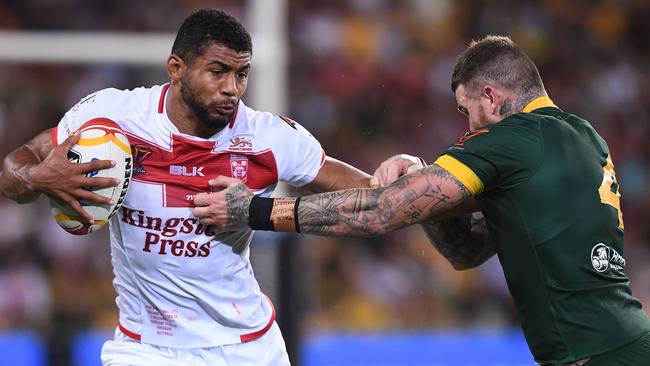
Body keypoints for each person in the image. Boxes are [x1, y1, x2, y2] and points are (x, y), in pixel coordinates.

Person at [199, 35, 650, 365]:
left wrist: (253, 209)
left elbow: (381, 213)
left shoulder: (510, 140)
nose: (468, 126)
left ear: (491, 97)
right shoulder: (583, 135)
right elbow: (466, 251)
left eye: (466, 110)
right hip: (621, 340)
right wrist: (422, 182)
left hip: (595, 354)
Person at [0, 8, 374, 366]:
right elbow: (14, 169)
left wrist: (401, 172)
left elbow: (372, 199)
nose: (232, 89)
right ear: (176, 68)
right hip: (145, 349)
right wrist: (37, 177)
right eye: (218, 72)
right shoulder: (115, 118)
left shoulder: (269, 138)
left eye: (242, 74)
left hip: (247, 349)